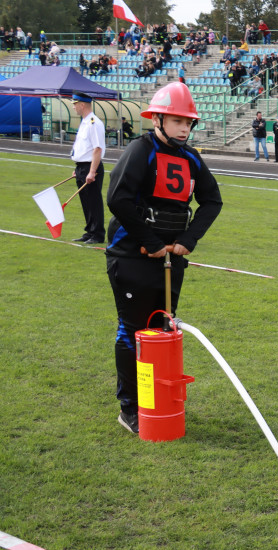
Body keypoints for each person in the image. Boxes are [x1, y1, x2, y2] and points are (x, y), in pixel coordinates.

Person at [104, 82, 222, 434]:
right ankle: (130, 407)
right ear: (158, 119)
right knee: (132, 330)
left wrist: (189, 239)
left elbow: (212, 201)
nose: (185, 128)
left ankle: (155, 400)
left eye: (189, 123)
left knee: (160, 329)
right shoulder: (141, 150)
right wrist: (151, 241)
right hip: (132, 257)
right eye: (177, 121)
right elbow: (118, 198)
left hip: (171, 260)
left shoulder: (191, 158)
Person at [69, 92, 106, 245]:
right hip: (82, 166)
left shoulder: (93, 123)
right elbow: (83, 147)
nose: (74, 107)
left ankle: (97, 234)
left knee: (93, 201)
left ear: (82, 104)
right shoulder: (85, 122)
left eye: (75, 104)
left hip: (91, 166)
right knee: (86, 201)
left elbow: (97, 148)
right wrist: (78, 169)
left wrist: (91, 171)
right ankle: (90, 231)